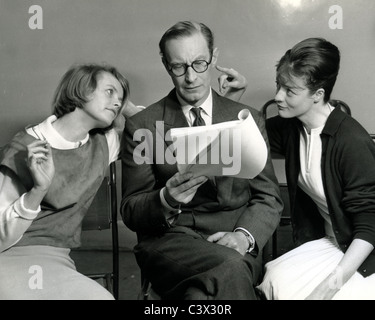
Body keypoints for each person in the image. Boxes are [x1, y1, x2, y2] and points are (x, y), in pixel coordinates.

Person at [120, 20, 283, 300]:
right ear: (165, 65)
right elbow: (131, 209)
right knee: (231, 268)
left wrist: (244, 236)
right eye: (178, 67)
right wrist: (165, 199)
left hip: (233, 237)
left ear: (214, 58)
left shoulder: (248, 118)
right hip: (170, 242)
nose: (191, 77)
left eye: (199, 64)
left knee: (199, 297)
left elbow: (268, 195)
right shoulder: (142, 125)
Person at [0, 63, 138, 300]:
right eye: (109, 92)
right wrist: (38, 190)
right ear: (82, 91)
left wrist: (127, 107)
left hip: (58, 259)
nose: (117, 102)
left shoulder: (105, 144)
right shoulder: (23, 148)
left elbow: (152, 132)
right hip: (10, 255)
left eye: (121, 98)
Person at [252, 38, 375, 299]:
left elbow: (370, 228)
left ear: (318, 95)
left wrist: (326, 289)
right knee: (275, 281)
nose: (277, 97)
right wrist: (232, 97)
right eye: (278, 85)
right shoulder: (292, 127)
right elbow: (247, 135)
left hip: (364, 252)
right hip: (334, 241)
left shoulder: (351, 142)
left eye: (289, 91)